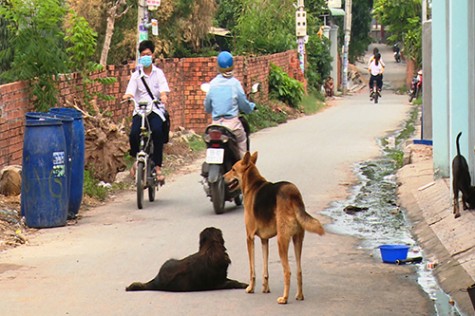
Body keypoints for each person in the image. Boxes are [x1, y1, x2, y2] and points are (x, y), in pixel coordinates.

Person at [123, 40, 170, 183]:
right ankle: (137, 160)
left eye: (148, 54)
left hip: (154, 109)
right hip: (140, 110)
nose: (146, 57)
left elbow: (163, 89)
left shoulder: (159, 73)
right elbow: (130, 91)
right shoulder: (136, 75)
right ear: (140, 57)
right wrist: (127, 96)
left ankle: (157, 167)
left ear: (153, 55)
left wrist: (163, 95)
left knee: (157, 132)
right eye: (143, 55)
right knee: (133, 134)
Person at [204, 51, 255, 158]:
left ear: (218, 66)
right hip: (232, 126)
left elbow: (207, 107)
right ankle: (244, 168)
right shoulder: (235, 83)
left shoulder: (213, 84)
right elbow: (244, 104)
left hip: (215, 126)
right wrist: (251, 107)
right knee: (242, 140)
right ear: (232, 66)